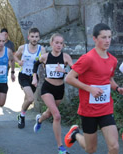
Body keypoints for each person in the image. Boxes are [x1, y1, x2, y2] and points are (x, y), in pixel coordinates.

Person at [64, 23, 123, 154]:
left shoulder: (112, 60)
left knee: (114, 147)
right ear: (95, 39)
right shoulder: (87, 59)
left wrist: (117, 88)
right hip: (89, 110)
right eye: (103, 37)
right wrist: (90, 89)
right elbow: (69, 78)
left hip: (106, 108)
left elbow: (109, 78)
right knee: (91, 149)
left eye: (109, 37)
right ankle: (75, 135)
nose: (107, 40)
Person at [32, 33, 73, 154]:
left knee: (49, 113)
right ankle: (60, 147)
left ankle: (39, 120)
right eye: (57, 43)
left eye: (61, 43)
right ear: (51, 43)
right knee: (57, 115)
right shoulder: (45, 57)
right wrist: (35, 78)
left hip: (59, 89)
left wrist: (65, 71)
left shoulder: (66, 57)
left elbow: (76, 71)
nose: (59, 45)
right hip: (47, 88)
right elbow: (36, 64)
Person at [14, 27, 46, 129]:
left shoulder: (42, 49)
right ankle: (22, 116)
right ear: (28, 37)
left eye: (36, 37)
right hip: (23, 76)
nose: (34, 39)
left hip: (34, 77)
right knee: (31, 98)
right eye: (32, 36)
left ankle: (22, 113)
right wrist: (18, 62)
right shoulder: (22, 48)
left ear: (39, 38)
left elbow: (45, 62)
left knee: (27, 99)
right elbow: (14, 56)